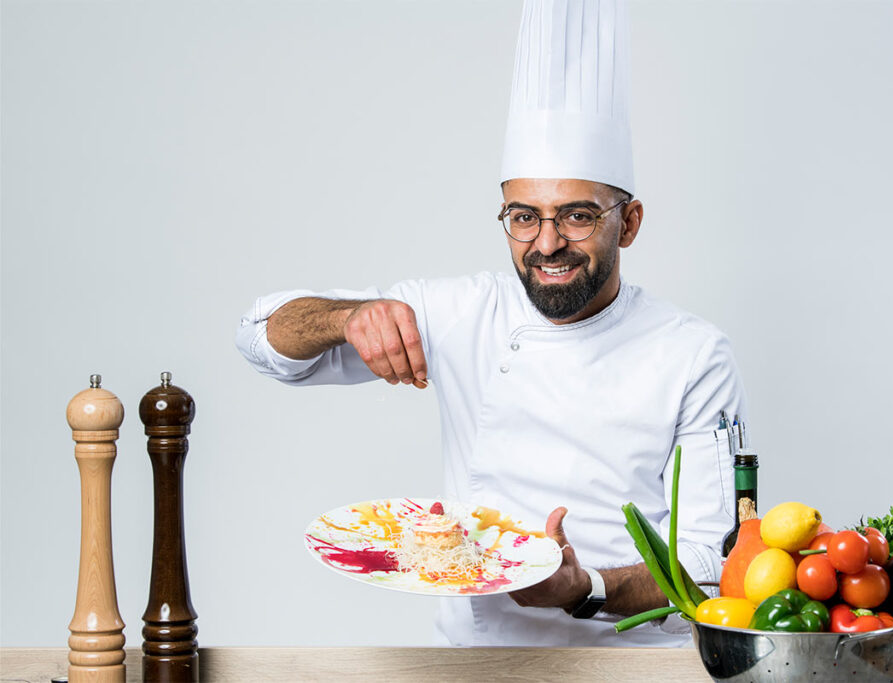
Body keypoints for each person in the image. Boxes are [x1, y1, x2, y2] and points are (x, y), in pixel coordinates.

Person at [236, 0, 747, 647]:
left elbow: (718, 565)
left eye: (579, 215)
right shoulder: (461, 314)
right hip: (472, 663)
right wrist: (347, 317)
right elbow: (261, 337)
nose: (547, 242)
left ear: (631, 221)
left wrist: (583, 586)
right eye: (523, 215)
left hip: (628, 667)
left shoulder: (693, 354)